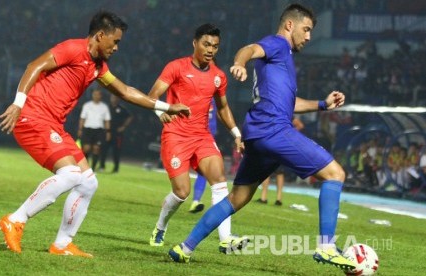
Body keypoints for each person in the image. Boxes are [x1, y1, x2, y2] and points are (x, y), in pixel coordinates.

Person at [167, 4, 356, 272]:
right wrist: (239, 63)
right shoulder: (278, 44)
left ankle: (184, 247)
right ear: (290, 25)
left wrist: (323, 104)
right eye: (307, 29)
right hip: (273, 130)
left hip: (257, 133)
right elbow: (250, 49)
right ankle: (326, 246)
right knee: (335, 174)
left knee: (237, 197)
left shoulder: (282, 60)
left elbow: (290, 104)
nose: (309, 36)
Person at [0, 10, 190, 258]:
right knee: (70, 173)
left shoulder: (98, 66)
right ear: (101, 36)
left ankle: (63, 244)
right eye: (116, 41)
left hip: (53, 124)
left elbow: (125, 91)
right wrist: (18, 103)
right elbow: (34, 65)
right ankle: (15, 220)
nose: (117, 48)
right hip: (33, 117)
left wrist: (165, 106)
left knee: (88, 182)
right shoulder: (72, 48)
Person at [148, 23, 248, 253]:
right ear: (195, 43)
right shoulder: (176, 67)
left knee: (220, 180)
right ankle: (160, 226)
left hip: (202, 136)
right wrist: (161, 111)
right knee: (182, 193)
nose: (210, 49)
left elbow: (223, 108)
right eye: (206, 44)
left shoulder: (218, 76)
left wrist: (236, 133)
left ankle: (226, 240)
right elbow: (153, 95)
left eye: (215, 46)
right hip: (175, 135)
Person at [257, 117, 304, 205]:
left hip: (272, 143)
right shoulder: (284, 112)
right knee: (279, 172)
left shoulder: (280, 113)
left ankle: (264, 197)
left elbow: (300, 125)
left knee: (268, 170)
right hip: (278, 144)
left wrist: (288, 135)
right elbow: (300, 125)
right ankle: (278, 199)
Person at [189, 99, 217, 213]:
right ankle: (174, 197)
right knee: (182, 167)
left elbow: (222, 110)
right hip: (190, 134)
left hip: (207, 137)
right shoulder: (196, 93)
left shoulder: (216, 95)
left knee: (205, 170)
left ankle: (196, 201)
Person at [99, 94, 133, 173]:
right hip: (107, 132)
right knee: (103, 149)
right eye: (113, 97)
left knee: (116, 150)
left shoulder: (122, 108)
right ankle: (102, 166)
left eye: (116, 97)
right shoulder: (106, 107)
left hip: (117, 133)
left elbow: (130, 116)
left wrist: (124, 126)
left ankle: (116, 168)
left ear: (118, 99)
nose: (114, 99)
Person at [78, 88, 111, 171]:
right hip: (88, 129)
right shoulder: (87, 105)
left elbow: (107, 120)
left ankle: (93, 168)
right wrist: (80, 129)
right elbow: (82, 118)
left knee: (96, 149)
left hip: (99, 130)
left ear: (101, 96)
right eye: (95, 94)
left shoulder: (104, 107)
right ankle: (85, 167)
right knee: (86, 148)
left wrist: (108, 132)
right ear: (92, 95)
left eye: (98, 94)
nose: (96, 96)